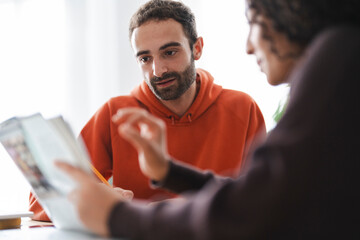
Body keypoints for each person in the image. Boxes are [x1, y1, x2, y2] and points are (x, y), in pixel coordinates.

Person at [57, 0, 360, 238]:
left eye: (254, 22)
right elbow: (258, 197)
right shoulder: (115, 112)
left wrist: (115, 216)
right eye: (145, 58)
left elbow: (251, 209)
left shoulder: (337, 56)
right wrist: (168, 172)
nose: (248, 46)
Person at [29, 0, 266, 221]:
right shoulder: (116, 114)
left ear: (197, 48)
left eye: (169, 52)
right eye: (145, 58)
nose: (157, 70)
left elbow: (267, 200)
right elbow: (41, 201)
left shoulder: (243, 109)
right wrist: (92, 199)